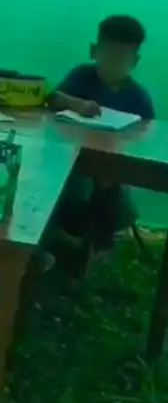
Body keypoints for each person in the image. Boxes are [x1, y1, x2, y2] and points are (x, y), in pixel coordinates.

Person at [49, 14, 154, 253]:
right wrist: (77, 104)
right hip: (69, 157)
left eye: (121, 57)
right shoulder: (82, 76)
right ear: (94, 50)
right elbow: (53, 98)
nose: (113, 62)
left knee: (107, 193)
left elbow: (146, 135)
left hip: (111, 170)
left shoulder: (137, 97)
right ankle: (60, 237)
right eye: (109, 54)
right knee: (70, 183)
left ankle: (90, 245)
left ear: (134, 61)